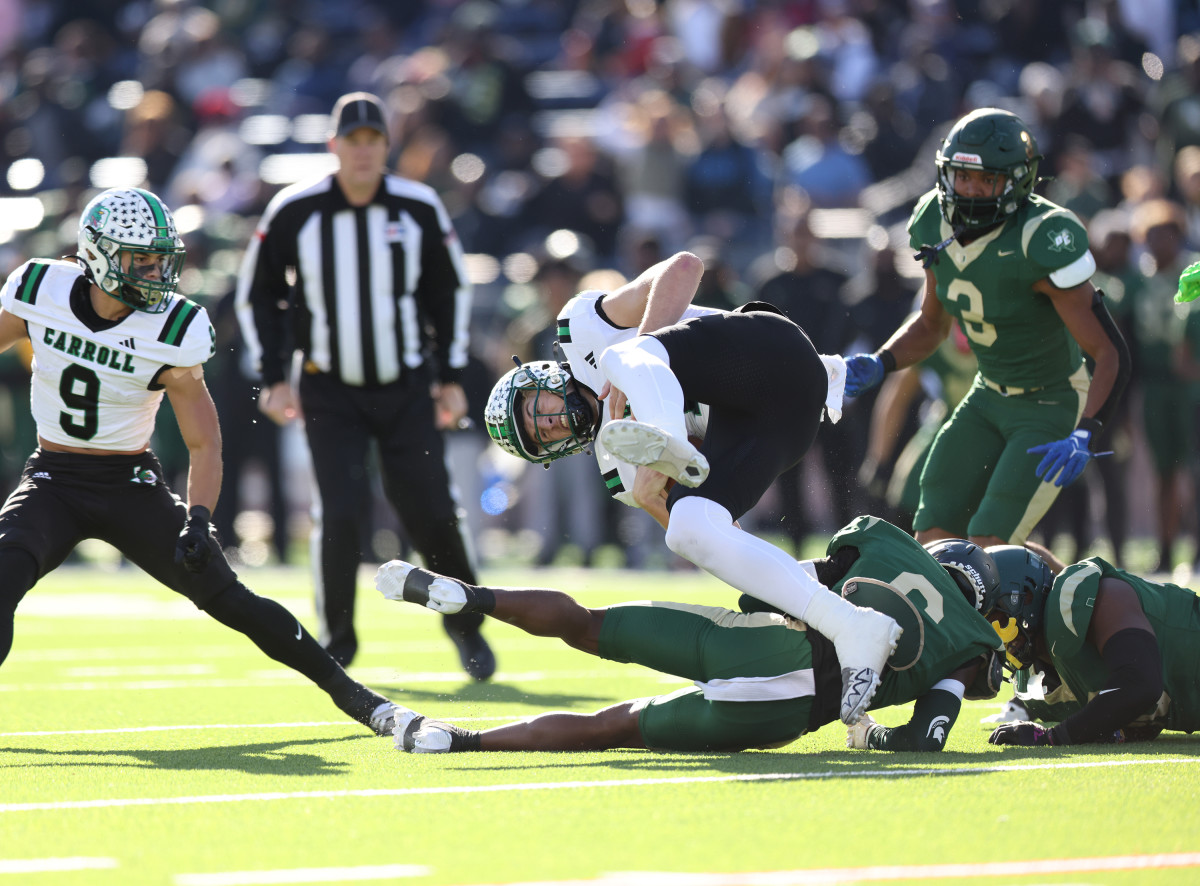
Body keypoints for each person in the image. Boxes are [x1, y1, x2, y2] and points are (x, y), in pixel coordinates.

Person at [0, 187, 402, 736]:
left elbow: (204, 443)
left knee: (227, 597)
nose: (155, 271)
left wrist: (199, 518)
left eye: (161, 258)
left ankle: (358, 698)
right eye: (140, 258)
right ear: (96, 254)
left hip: (128, 483)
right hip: (51, 476)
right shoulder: (39, 288)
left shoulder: (172, 327)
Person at [483, 251, 903, 724]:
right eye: (543, 436)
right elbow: (728, 539)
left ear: (542, 377)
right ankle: (850, 627)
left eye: (538, 410)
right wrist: (656, 504)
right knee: (687, 530)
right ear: (551, 455)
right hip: (778, 423)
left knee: (622, 356)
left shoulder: (582, 329)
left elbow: (685, 266)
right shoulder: (616, 469)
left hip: (771, 352)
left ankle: (666, 439)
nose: (554, 422)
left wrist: (643, 344)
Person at [235, 91, 493, 678]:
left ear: (386, 146)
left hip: (405, 385)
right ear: (334, 147)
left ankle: (467, 627)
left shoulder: (417, 205)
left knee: (431, 510)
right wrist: (273, 376)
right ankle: (338, 643)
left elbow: (449, 291)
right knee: (342, 509)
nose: (362, 152)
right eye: (352, 141)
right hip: (329, 387)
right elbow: (259, 293)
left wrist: (450, 377)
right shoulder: (296, 209)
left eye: (373, 140)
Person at [373, 516, 1005, 753]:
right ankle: (464, 743)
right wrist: (871, 736)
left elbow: (763, 588)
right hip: (784, 711)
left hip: (761, 638)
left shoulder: (888, 542)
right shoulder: (975, 648)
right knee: (612, 727)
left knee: (587, 625)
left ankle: (470, 596)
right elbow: (928, 741)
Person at [840, 108, 1131, 549]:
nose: (972, 190)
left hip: (1049, 402)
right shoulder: (931, 221)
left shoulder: (1041, 237)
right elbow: (931, 324)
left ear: (1018, 182)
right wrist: (881, 362)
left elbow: (1109, 351)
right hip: (986, 395)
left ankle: (1085, 603)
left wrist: (1085, 431)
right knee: (935, 534)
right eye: (963, 177)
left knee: (990, 542)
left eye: (988, 180)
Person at [980, 543, 1198, 746]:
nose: (992, 632)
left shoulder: (1103, 596)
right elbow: (1134, 715)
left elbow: (1140, 684)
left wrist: (1053, 736)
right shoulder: (1040, 689)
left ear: (1024, 596)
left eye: (992, 617)